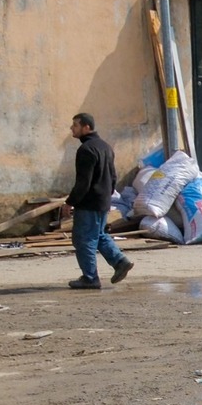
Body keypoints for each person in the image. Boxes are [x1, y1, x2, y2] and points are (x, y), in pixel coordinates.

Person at [64, 113, 131, 290]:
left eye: (75, 125)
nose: (72, 128)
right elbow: (113, 177)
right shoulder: (105, 147)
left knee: (84, 239)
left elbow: (83, 182)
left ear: (86, 127)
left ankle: (90, 278)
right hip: (102, 201)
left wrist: (70, 201)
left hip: (89, 203)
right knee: (98, 234)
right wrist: (107, 197)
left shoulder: (86, 149)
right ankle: (120, 261)